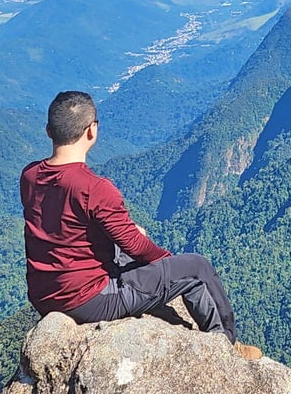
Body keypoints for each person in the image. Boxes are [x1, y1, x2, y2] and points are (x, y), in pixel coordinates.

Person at [20, 90, 262, 361]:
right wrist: (165, 263)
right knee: (197, 268)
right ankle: (226, 347)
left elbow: (67, 224)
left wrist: (126, 234)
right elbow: (135, 246)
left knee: (125, 252)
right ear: (92, 131)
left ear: (48, 131)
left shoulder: (30, 175)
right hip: (89, 299)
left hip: (44, 295)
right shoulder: (94, 188)